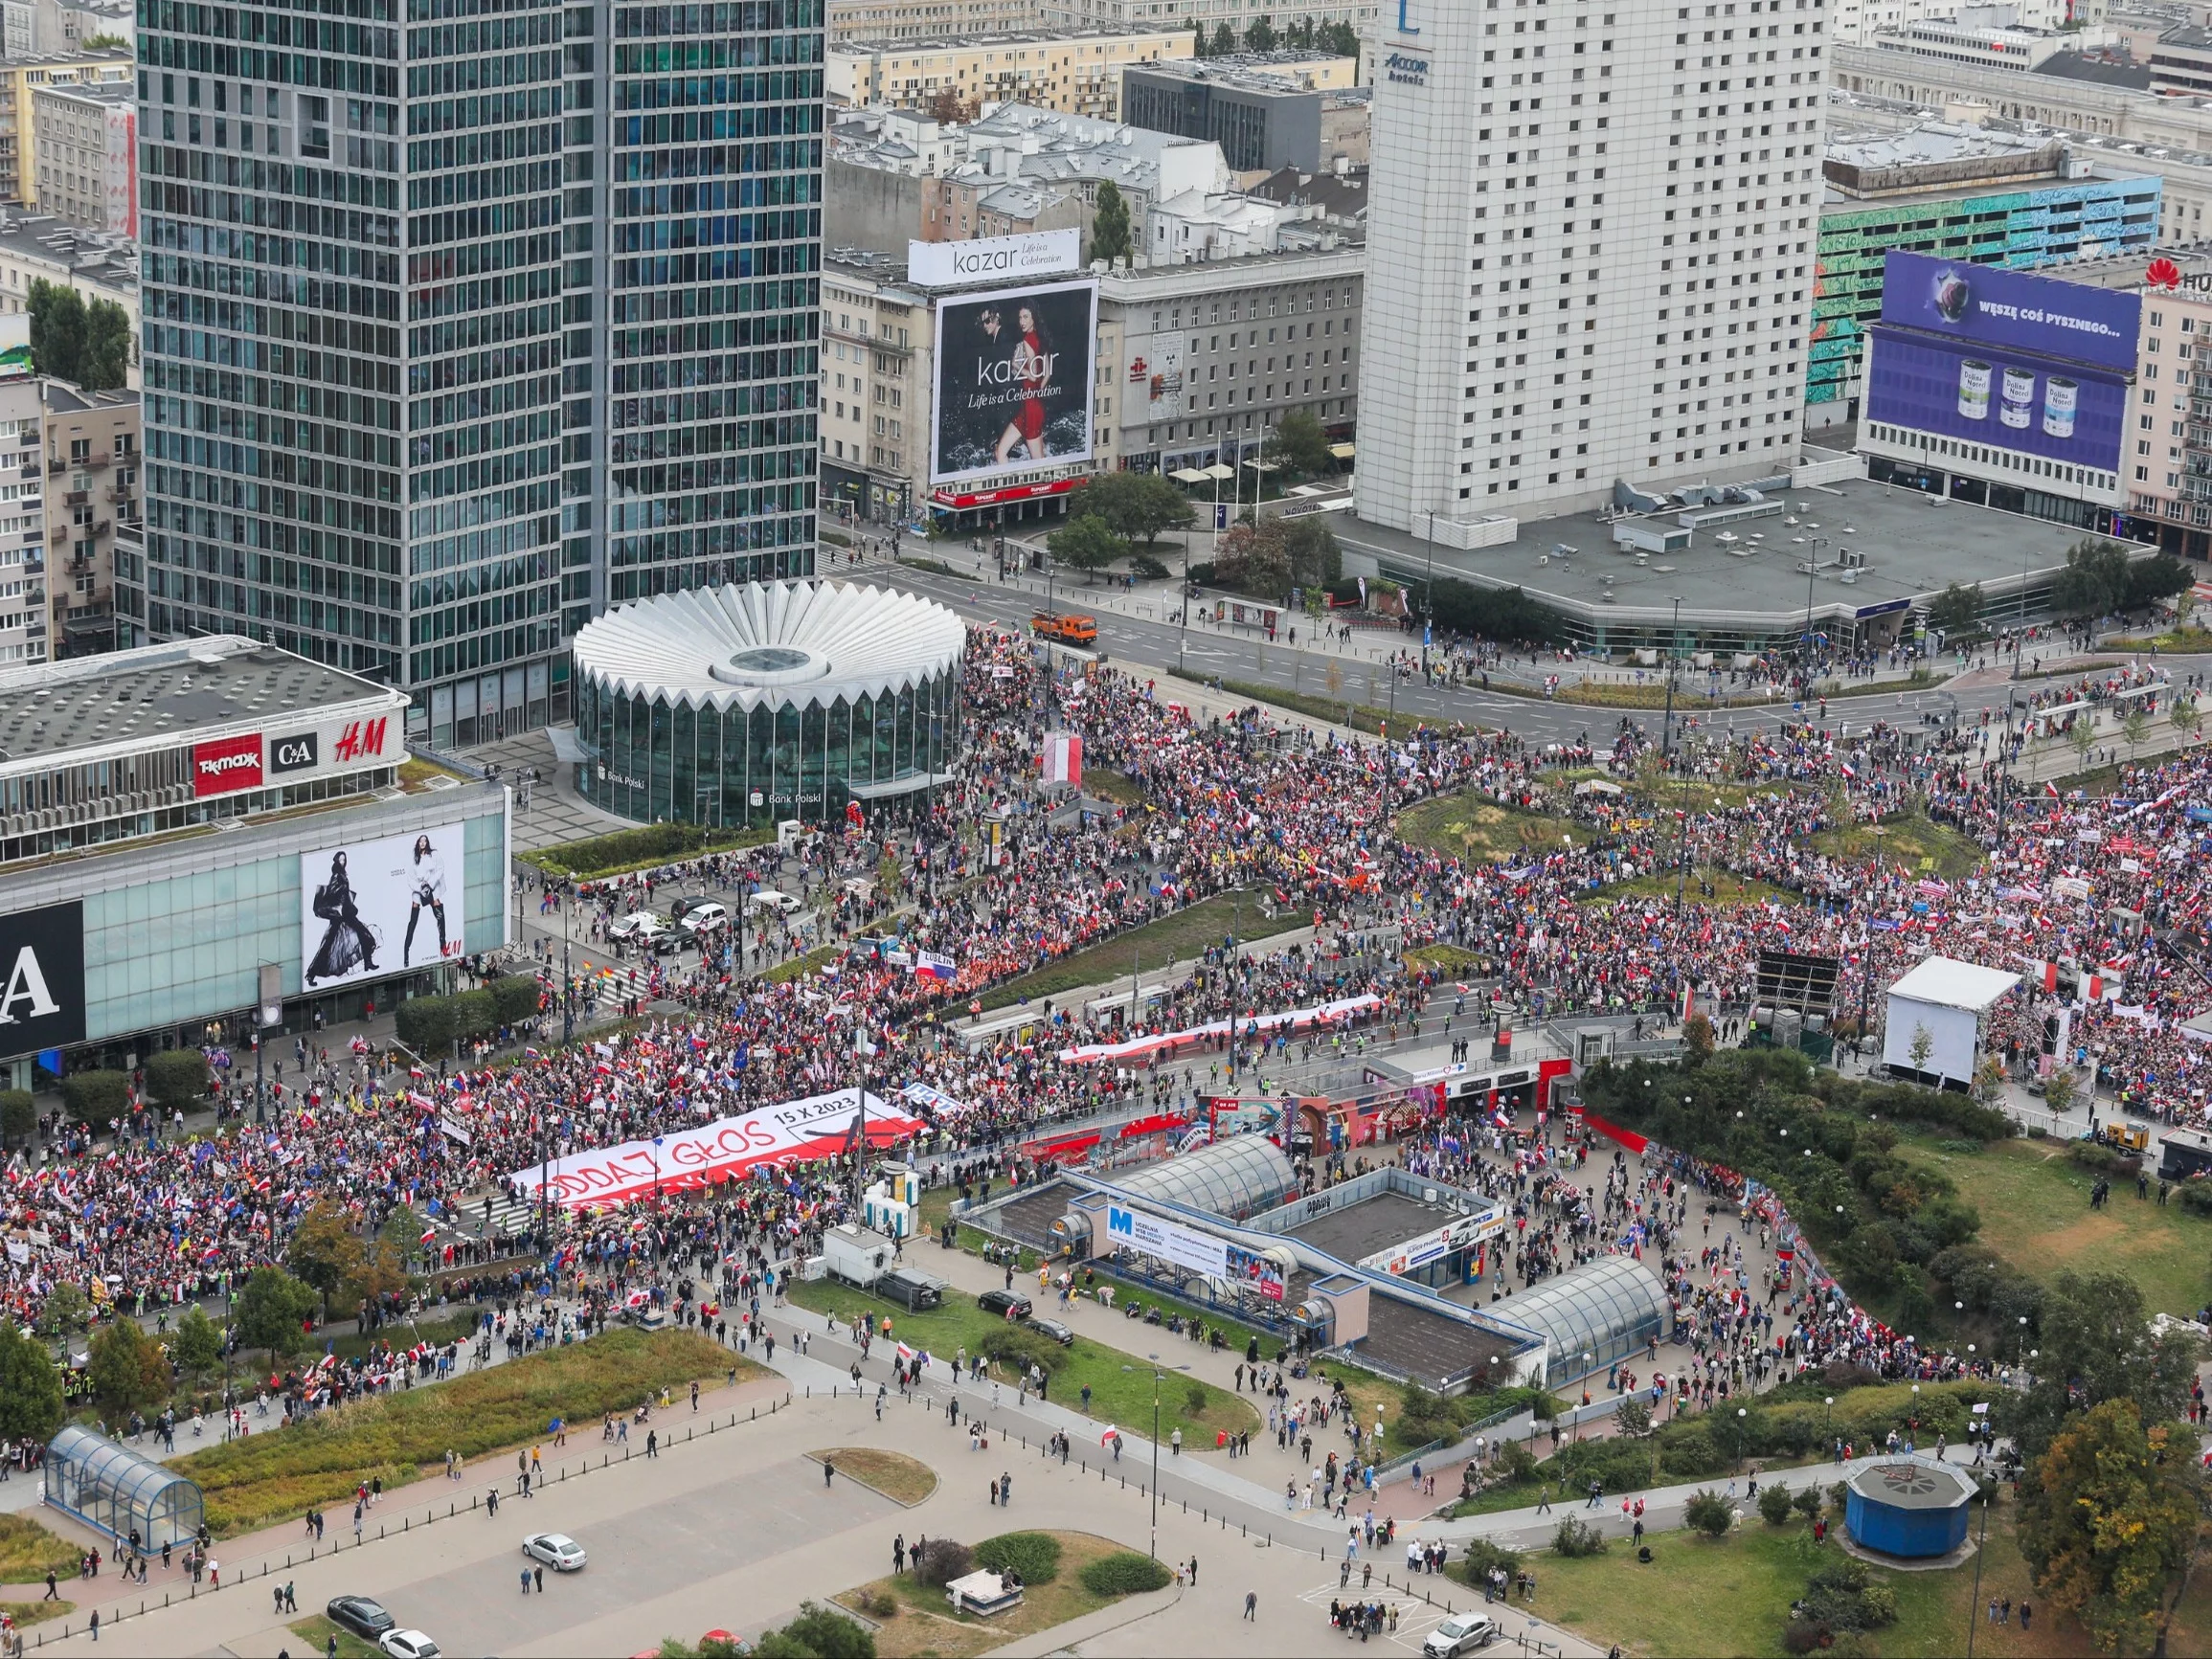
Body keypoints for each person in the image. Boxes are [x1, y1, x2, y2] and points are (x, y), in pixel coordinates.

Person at [305, 852, 377, 985]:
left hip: (347, 912)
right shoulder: (337, 875)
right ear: (337, 861)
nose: (343, 862)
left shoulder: (342, 873)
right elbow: (332, 892)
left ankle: (368, 962)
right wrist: (342, 887)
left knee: (363, 933)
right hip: (339, 914)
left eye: (344, 860)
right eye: (341, 860)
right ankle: (311, 974)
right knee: (328, 944)